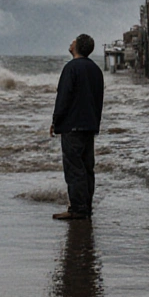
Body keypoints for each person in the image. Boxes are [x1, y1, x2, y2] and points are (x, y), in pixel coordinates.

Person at [50, 34, 104, 221]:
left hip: (72, 126)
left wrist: (56, 121)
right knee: (87, 168)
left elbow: (63, 97)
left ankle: (78, 209)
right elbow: (98, 99)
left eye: (73, 41)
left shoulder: (71, 68)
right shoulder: (96, 70)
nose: (70, 42)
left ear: (77, 46)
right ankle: (86, 207)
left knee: (74, 169)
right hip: (90, 125)